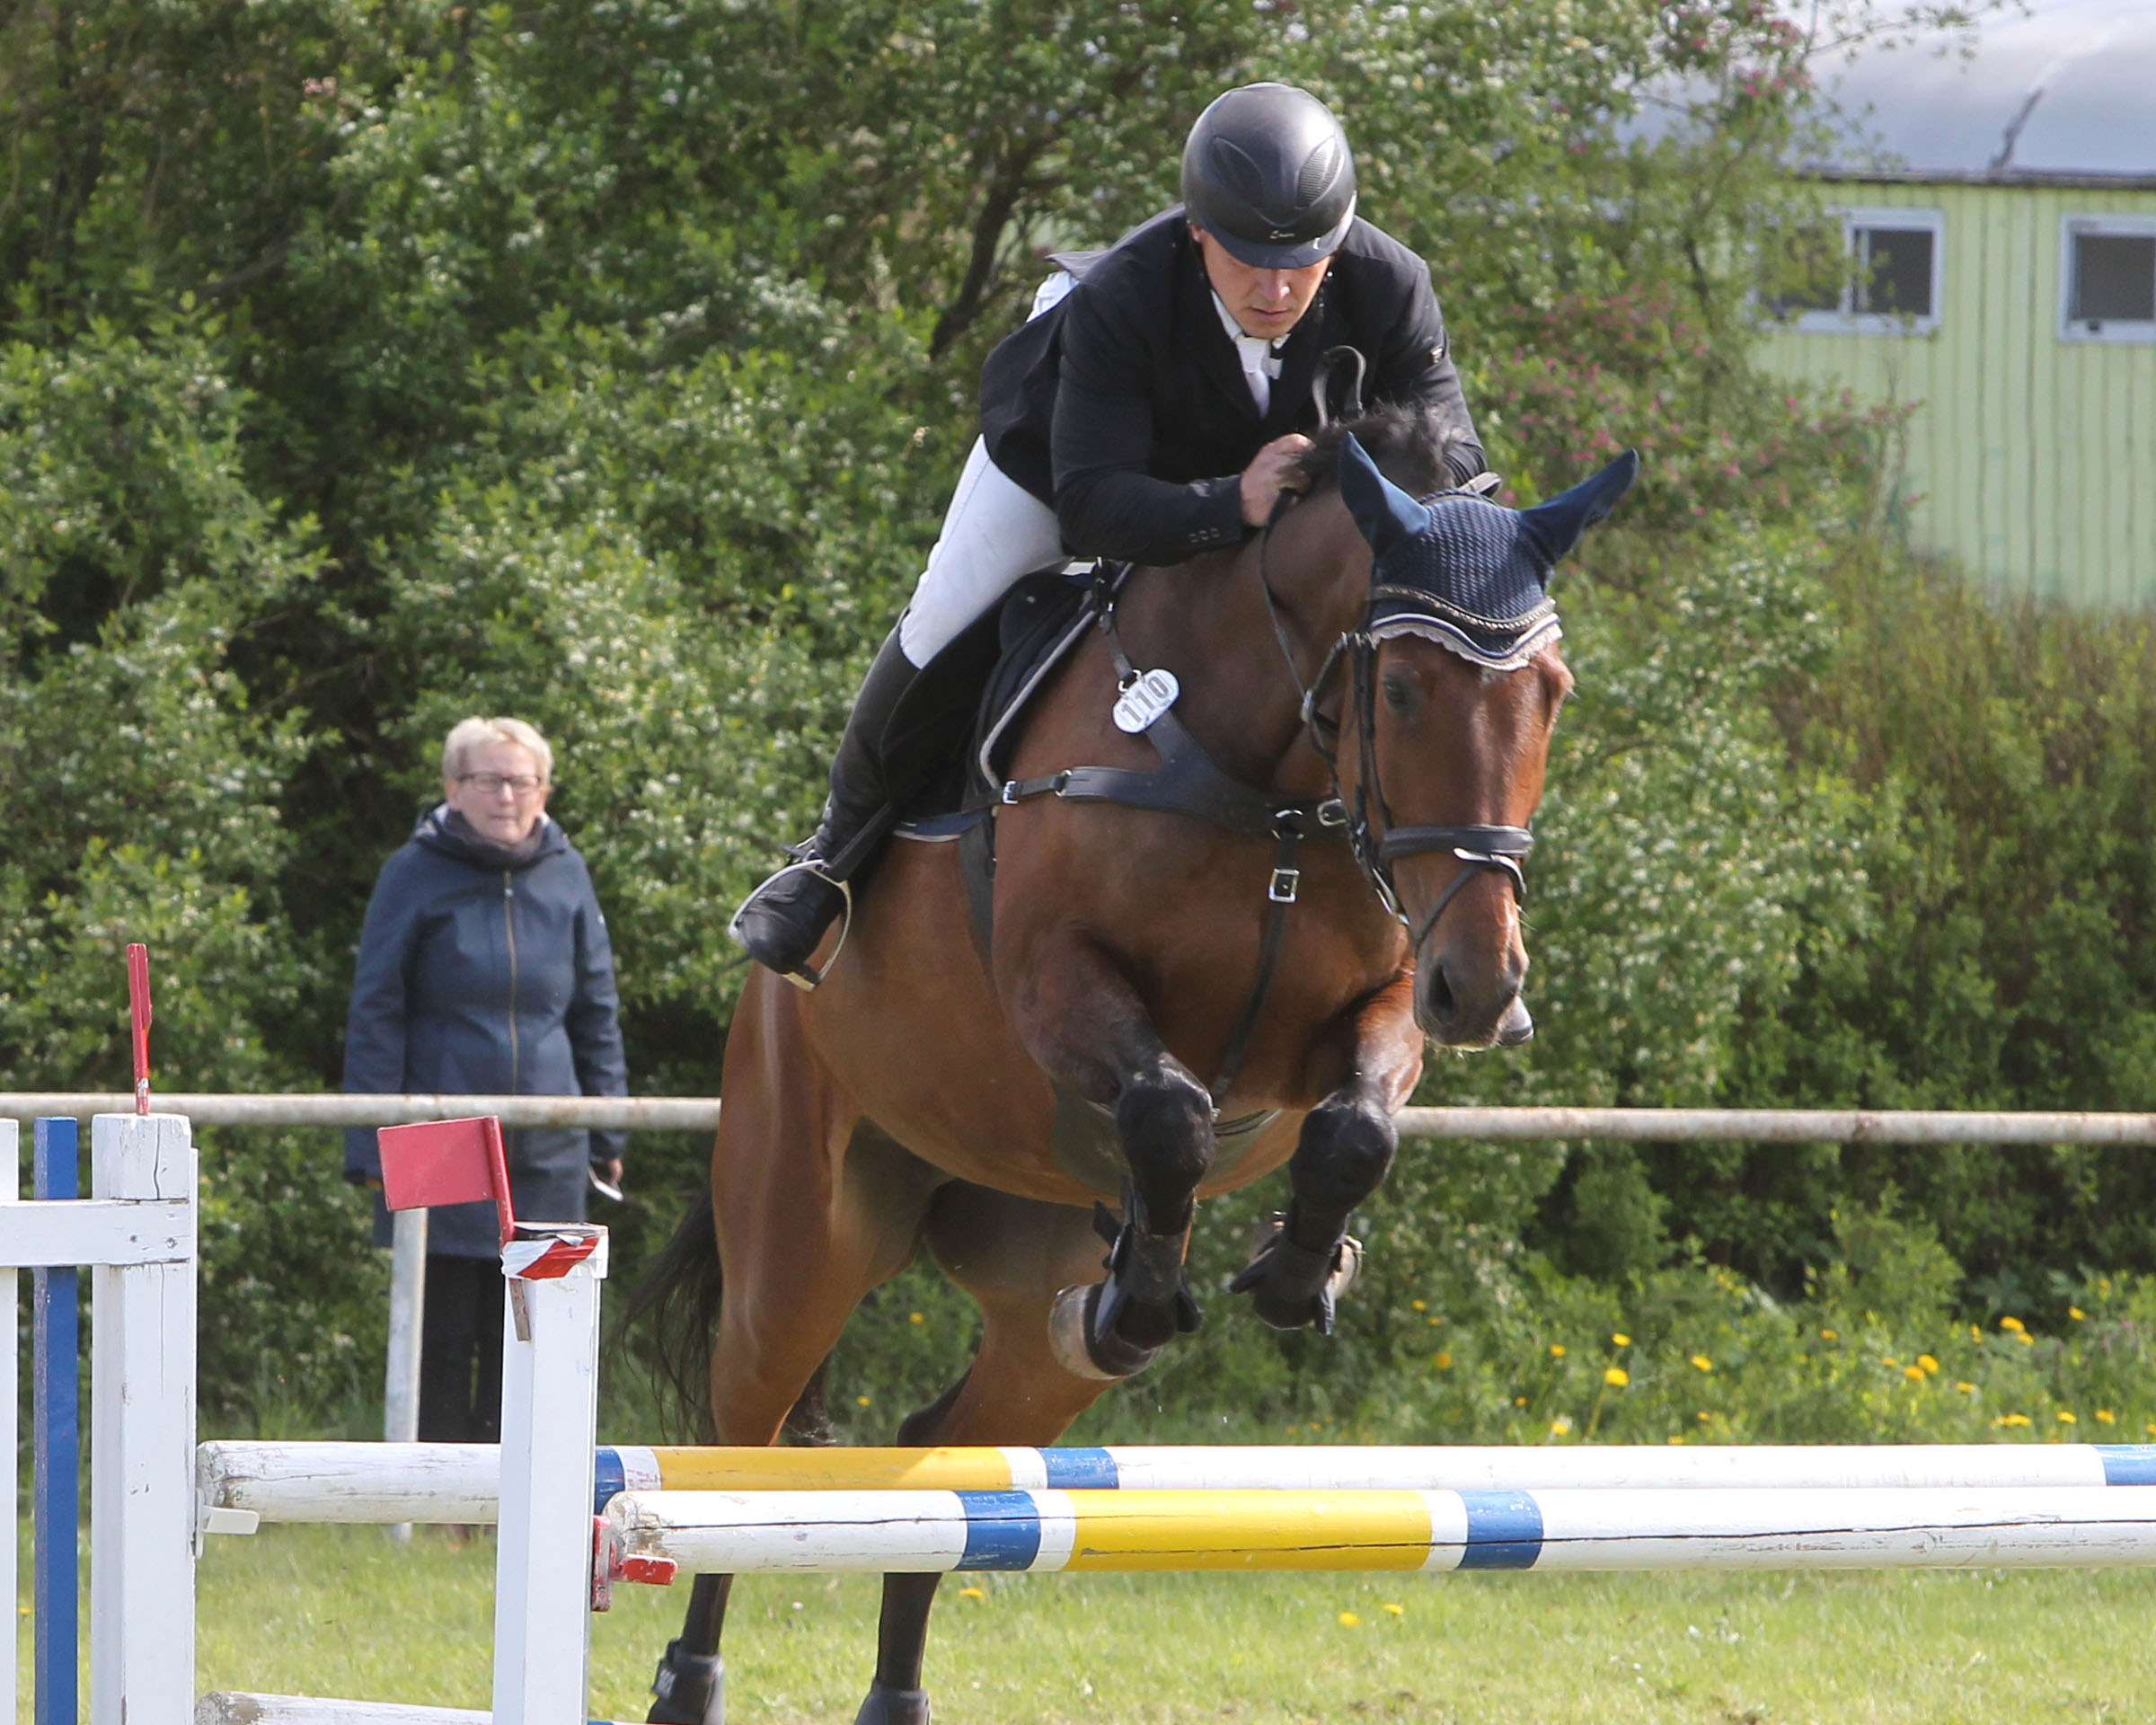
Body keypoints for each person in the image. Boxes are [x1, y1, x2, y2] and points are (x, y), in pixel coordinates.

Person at [730, 81, 1488, 986]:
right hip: (1069, 465)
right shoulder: (1122, 295)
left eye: (1307, 261)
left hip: (1255, 481)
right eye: (1250, 260)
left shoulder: (1391, 281)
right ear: (1200, 229)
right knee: (948, 606)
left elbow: (1457, 466)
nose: (1279, 288)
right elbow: (1092, 506)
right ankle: (831, 853)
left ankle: (1474, 901)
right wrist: (1229, 505)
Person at [342, 716, 629, 1443]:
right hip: (438, 1135)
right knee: (444, 1327)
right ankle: (441, 1501)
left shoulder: (567, 872)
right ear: (452, 787)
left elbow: (596, 1008)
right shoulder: (411, 873)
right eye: (488, 779)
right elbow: (377, 1009)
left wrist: (609, 1127)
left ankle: (521, 1487)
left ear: (543, 790)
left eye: (521, 780)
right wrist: (367, 1148)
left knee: (534, 1322)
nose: (506, 795)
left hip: (548, 1139)